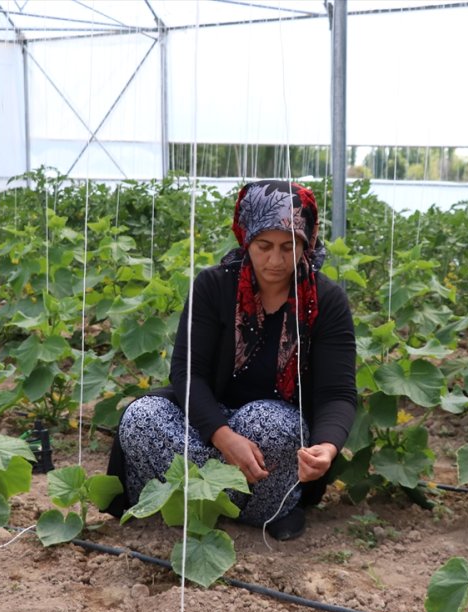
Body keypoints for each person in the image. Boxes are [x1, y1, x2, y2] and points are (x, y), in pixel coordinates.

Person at [105, 180, 357, 540]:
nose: (275, 260)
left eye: (289, 247)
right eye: (264, 246)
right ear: (246, 238)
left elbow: (338, 393)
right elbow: (187, 373)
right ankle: (240, 505)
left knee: (267, 422)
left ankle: (211, 502)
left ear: (306, 242)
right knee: (141, 418)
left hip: (271, 432)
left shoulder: (326, 301)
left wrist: (327, 448)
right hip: (206, 424)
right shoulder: (213, 286)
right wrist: (223, 437)